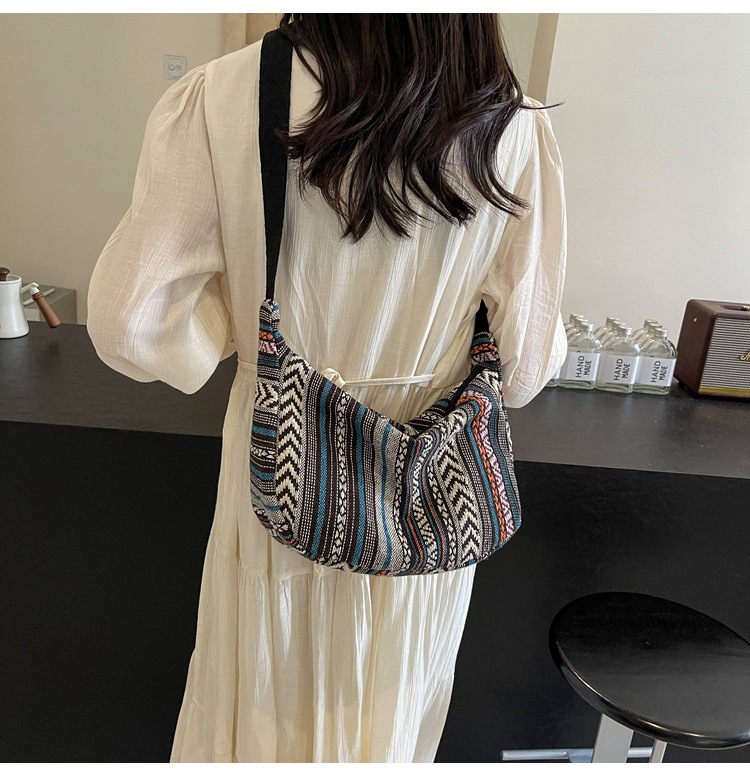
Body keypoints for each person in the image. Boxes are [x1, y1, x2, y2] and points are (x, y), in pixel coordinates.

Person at [87, 13, 566, 763]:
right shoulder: (513, 125)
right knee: (391, 716)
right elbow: (527, 367)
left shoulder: (228, 94)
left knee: (264, 706)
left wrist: (241, 333)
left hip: (283, 479)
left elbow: (130, 324)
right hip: (428, 502)